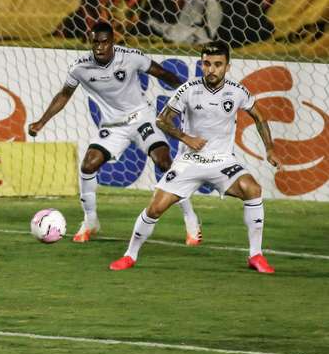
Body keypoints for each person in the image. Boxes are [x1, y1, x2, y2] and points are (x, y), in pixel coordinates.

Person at [109, 41, 280, 273]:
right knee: (155, 208)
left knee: (253, 189)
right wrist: (185, 138)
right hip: (189, 162)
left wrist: (269, 149)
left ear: (227, 67)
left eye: (218, 64)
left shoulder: (237, 92)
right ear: (201, 64)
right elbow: (162, 120)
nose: (211, 69)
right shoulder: (188, 89)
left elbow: (259, 117)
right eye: (207, 64)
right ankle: (130, 255)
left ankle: (256, 255)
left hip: (222, 162)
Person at [29, 22, 202, 244]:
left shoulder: (130, 57)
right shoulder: (79, 68)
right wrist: (41, 122)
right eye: (95, 43)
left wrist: (192, 93)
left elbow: (163, 73)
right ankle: (90, 220)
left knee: (164, 162)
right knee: (88, 165)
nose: (99, 47)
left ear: (112, 41)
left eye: (104, 42)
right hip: (112, 127)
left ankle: (191, 220)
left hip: (142, 119)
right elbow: (64, 95)